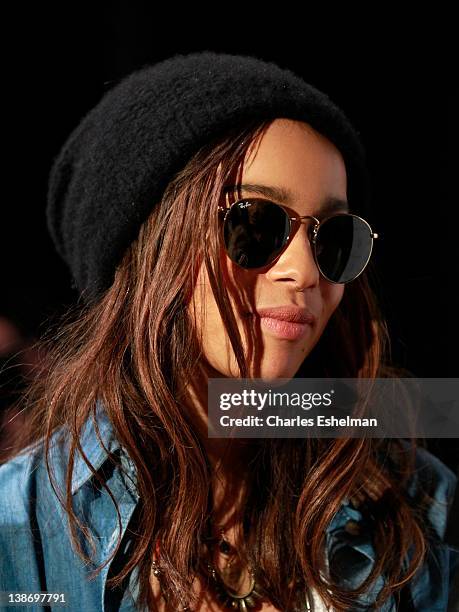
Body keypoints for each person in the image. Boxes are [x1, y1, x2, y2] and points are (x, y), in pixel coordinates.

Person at [0, 51, 457, 612]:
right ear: (148, 252)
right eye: (255, 223)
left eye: (335, 238)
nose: (305, 271)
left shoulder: (413, 499)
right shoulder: (18, 532)